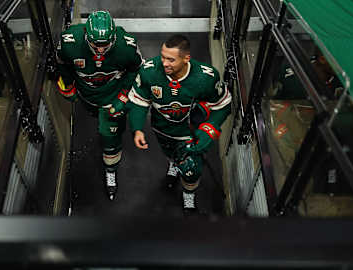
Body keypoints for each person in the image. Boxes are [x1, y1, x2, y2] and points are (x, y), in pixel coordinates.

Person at [128, 34, 231, 213]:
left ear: (186, 58)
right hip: (161, 128)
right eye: (162, 56)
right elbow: (139, 101)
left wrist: (208, 130)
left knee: (191, 169)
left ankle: (188, 195)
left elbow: (223, 105)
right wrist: (137, 129)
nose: (164, 63)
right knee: (169, 153)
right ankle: (173, 164)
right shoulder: (149, 71)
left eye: (171, 59)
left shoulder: (206, 77)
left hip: (188, 133)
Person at [56, 10, 143, 200]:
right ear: (86, 37)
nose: (101, 50)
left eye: (106, 44)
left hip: (111, 98)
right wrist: (67, 83)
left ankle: (110, 170)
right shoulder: (69, 42)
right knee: (93, 115)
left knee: (110, 137)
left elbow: (136, 68)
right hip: (86, 95)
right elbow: (62, 62)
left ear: (114, 37)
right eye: (96, 44)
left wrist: (123, 96)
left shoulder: (127, 45)